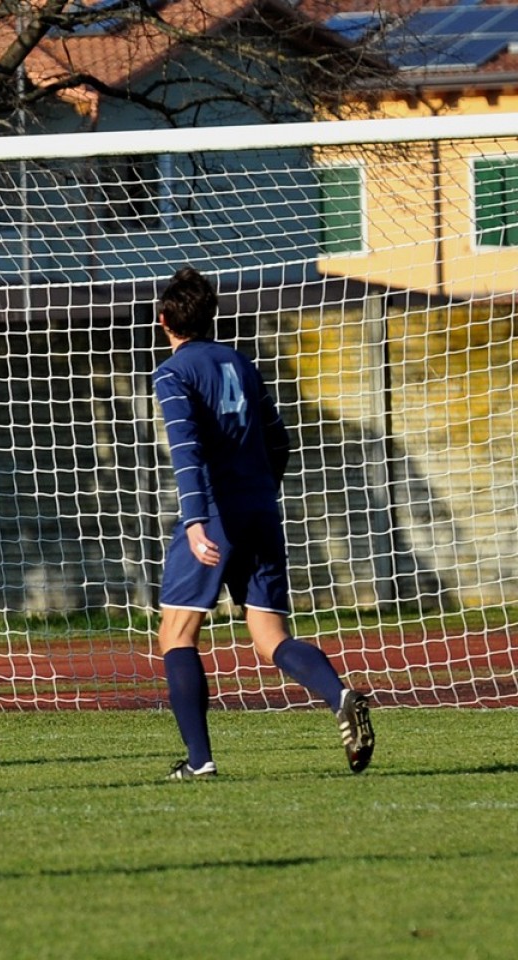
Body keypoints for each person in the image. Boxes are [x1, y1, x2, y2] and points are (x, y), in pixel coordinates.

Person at [152, 267, 375, 780]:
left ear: (164, 320)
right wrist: (262, 492)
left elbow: (186, 450)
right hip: (261, 512)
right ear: (210, 317)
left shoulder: (173, 373)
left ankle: (200, 761)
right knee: (271, 635)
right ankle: (339, 694)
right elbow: (279, 440)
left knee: (177, 634)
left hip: (213, 515)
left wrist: (194, 520)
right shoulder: (242, 364)